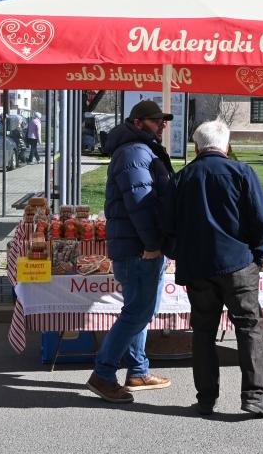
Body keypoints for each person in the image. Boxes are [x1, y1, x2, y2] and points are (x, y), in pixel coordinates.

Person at [167, 119, 263, 418]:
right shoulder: (242, 172)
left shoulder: (182, 178)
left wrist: (180, 254)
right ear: (226, 145)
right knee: (249, 328)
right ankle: (254, 396)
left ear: (196, 146)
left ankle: (206, 398)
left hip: (199, 266)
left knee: (203, 332)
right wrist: (257, 257)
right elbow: (261, 219)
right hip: (238, 263)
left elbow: (168, 226)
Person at [86, 100, 174, 403]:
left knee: (140, 311)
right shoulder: (134, 152)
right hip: (138, 249)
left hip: (139, 247)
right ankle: (103, 374)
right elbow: (140, 204)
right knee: (137, 312)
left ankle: (137, 371)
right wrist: (151, 245)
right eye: (155, 120)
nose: (162, 125)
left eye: (163, 120)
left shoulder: (141, 149)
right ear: (137, 123)